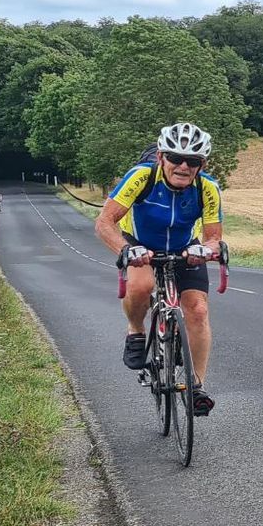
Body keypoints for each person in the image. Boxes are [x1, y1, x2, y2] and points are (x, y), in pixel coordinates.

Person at [96, 123, 226, 416]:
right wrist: (126, 250)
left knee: (198, 310)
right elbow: (105, 222)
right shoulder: (141, 177)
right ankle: (136, 330)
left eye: (192, 161)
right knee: (141, 286)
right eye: (175, 158)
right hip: (139, 243)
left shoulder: (207, 188)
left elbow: (213, 237)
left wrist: (206, 250)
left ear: (202, 165)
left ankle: (195, 386)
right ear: (160, 157)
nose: (183, 166)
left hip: (183, 247)